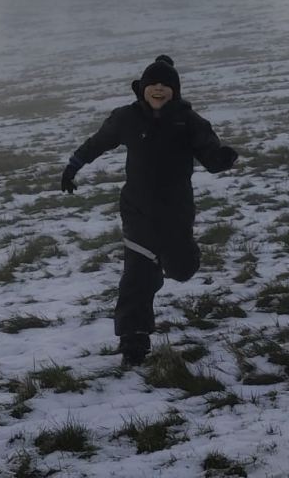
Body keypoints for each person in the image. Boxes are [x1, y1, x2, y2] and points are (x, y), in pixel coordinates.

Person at [61, 55, 239, 365]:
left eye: (165, 85)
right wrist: (72, 167)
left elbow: (209, 151)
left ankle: (177, 259)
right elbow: (98, 142)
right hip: (137, 210)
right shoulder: (127, 118)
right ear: (142, 88)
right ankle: (133, 340)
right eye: (152, 84)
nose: (158, 90)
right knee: (137, 276)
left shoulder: (188, 120)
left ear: (175, 91)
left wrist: (220, 160)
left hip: (176, 210)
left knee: (181, 269)